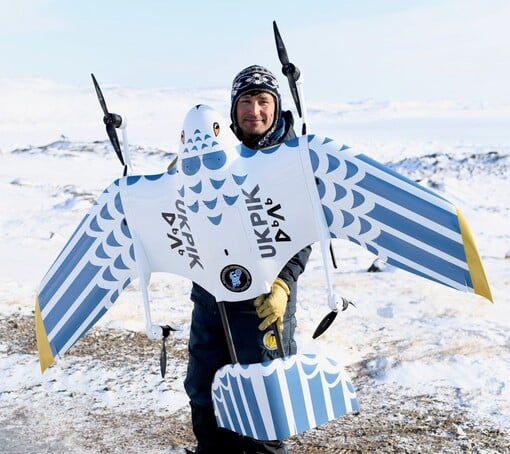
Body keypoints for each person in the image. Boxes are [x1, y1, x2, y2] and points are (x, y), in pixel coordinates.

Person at [184, 65, 312, 454]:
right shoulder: (217, 154)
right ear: (233, 108)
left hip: (264, 301)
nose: (253, 111)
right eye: (245, 101)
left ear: (276, 107)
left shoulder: (293, 160)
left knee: (264, 411)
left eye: (262, 101)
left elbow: (303, 233)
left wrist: (284, 283)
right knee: (206, 399)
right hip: (211, 299)